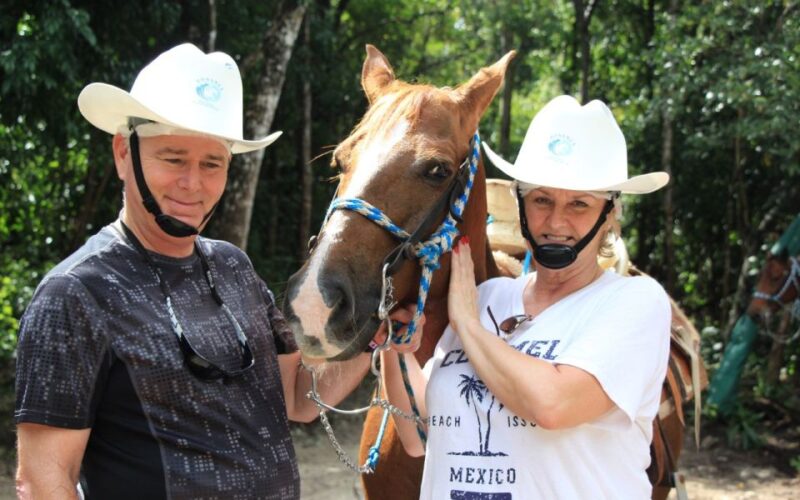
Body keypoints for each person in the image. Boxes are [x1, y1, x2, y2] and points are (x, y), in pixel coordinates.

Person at [14, 43, 371, 500]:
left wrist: (374, 336)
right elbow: (42, 481)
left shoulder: (233, 266)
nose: (193, 184)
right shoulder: (75, 294)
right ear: (123, 153)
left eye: (211, 164)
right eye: (173, 158)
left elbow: (298, 396)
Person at [381, 95, 672, 498]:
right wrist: (395, 349)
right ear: (520, 204)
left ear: (609, 214)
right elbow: (418, 433)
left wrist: (467, 324)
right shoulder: (487, 296)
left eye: (579, 204)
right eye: (541, 200)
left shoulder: (635, 302)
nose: (556, 221)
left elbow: (553, 405)